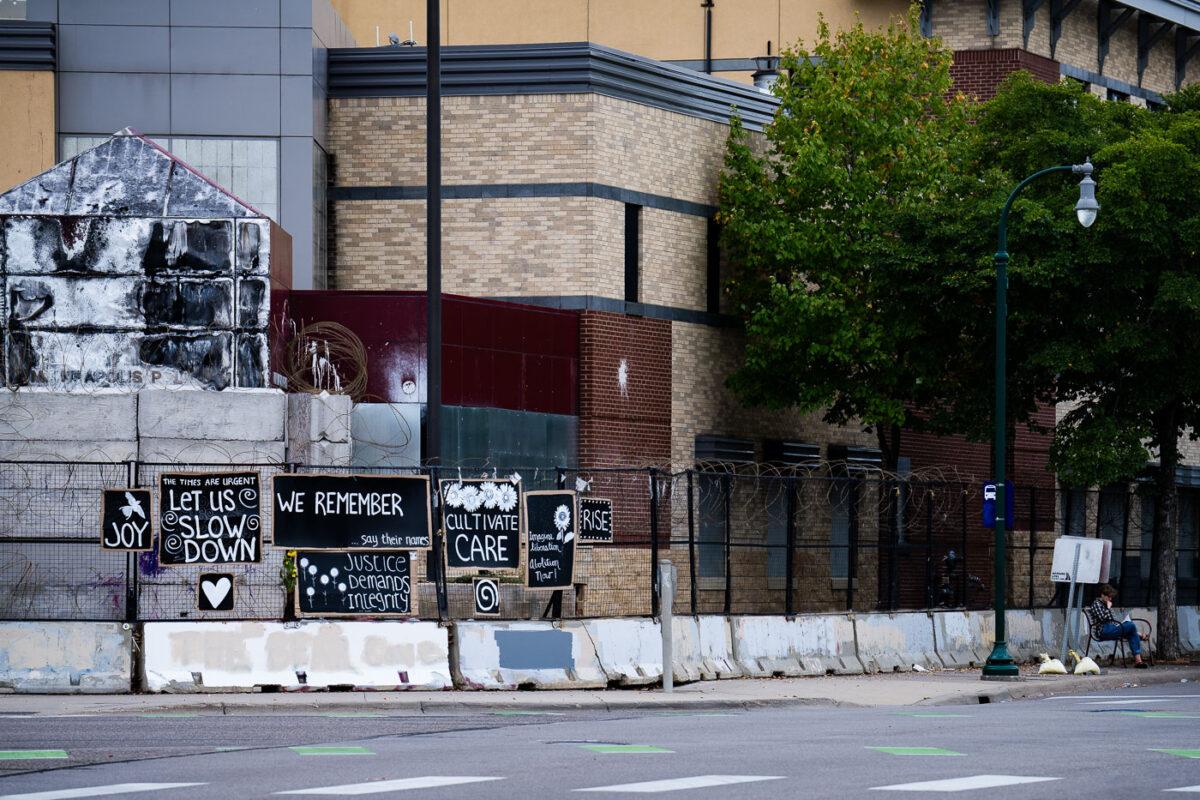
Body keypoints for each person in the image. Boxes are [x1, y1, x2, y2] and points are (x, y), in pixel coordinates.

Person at [1086, 583, 1150, 668]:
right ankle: (1140, 636)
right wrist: (1108, 608)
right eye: (1108, 597)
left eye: (1111, 597)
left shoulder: (1106, 604)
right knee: (1131, 625)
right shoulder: (1097, 604)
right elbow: (1102, 618)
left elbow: (1114, 620)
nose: (1110, 599)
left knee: (1131, 633)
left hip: (1112, 628)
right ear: (1102, 595)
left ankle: (1138, 661)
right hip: (1104, 631)